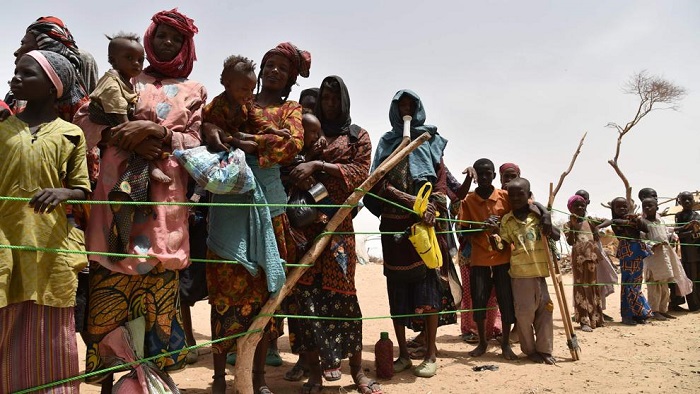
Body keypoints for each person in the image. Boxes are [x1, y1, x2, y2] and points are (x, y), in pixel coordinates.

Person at [74, 9, 206, 390]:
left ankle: (155, 385)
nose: (167, 43)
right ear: (149, 38)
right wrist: (120, 133)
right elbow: (85, 123)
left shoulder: (194, 90)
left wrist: (156, 133)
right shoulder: (121, 77)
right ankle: (107, 385)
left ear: (186, 45)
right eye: (161, 35)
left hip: (164, 206)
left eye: (176, 38)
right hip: (117, 202)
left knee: (158, 308)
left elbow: (196, 143)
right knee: (107, 300)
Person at [202, 41, 310, 394]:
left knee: (266, 292)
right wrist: (239, 139)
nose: (274, 71)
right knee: (224, 290)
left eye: (282, 67)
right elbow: (208, 131)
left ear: (292, 75)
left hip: (271, 207)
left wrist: (244, 141)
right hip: (229, 204)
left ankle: (259, 378)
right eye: (270, 64)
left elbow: (291, 144)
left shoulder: (290, 110)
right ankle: (220, 377)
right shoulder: (228, 103)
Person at [0, 50, 90, 393]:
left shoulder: (71, 134)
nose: (16, 78)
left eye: (27, 74)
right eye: (16, 71)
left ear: (53, 88)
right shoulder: (1, 130)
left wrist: (62, 193)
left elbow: (82, 189)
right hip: (5, 240)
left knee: (50, 334)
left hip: (51, 244)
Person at [286, 75, 380, 393]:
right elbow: (290, 169)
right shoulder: (309, 134)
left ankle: (357, 373)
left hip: (339, 229)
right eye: (325, 98)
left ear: (344, 101)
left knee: (345, 303)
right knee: (307, 304)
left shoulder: (357, 137)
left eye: (334, 99)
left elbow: (358, 175)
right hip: (306, 229)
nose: (329, 104)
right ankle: (314, 374)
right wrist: (308, 162)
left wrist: (319, 166)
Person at [365, 89, 449, 378]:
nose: (405, 111)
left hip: (423, 227)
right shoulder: (387, 143)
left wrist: (432, 208)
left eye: (410, 106)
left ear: (419, 108)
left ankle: (431, 353)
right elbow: (377, 183)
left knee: (428, 289)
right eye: (400, 106)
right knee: (396, 290)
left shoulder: (430, 141)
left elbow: (439, 183)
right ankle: (402, 353)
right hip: (392, 227)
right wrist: (411, 201)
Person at [88, 32, 171, 188]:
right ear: (113, 60)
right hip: (106, 116)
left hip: (116, 117)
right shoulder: (112, 82)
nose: (136, 64)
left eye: (140, 60)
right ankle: (151, 168)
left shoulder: (126, 80)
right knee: (132, 142)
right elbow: (122, 121)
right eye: (129, 58)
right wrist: (136, 141)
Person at [458, 158, 517, 360]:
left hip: (502, 259)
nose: (484, 177)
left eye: (487, 173)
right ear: (475, 177)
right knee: (479, 302)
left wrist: (498, 227)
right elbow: (463, 232)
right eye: (480, 173)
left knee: (505, 301)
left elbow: (517, 221)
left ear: (494, 175)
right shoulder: (468, 201)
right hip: (480, 260)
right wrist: (481, 226)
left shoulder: (505, 197)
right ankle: (482, 342)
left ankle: (506, 344)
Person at [496, 178, 559, 364]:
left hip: (540, 273)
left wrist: (546, 219)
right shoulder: (507, 220)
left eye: (520, 194)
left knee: (545, 312)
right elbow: (502, 246)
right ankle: (530, 350)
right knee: (524, 316)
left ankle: (545, 350)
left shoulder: (537, 216)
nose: (515, 198)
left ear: (528, 195)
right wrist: (494, 238)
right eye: (511, 195)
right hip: (520, 276)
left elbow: (556, 234)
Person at [598, 197, 652, 325]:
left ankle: (638, 313)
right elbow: (614, 221)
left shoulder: (633, 218)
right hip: (627, 251)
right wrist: (598, 227)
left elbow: (646, 228)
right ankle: (627, 315)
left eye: (624, 206)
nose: (622, 209)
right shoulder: (616, 222)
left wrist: (637, 219)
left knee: (637, 283)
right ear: (613, 209)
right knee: (628, 283)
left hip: (637, 250)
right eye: (618, 207)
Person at [641, 197, 692, 320]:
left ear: (656, 208)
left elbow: (667, 234)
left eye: (650, 206)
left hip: (664, 257)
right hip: (653, 258)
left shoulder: (661, 221)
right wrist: (653, 244)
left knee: (664, 284)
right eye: (645, 206)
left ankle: (663, 309)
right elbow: (642, 239)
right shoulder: (643, 223)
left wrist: (677, 233)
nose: (647, 208)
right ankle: (654, 310)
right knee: (654, 285)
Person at [563, 194, 604, 332]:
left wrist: (597, 229)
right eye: (576, 206)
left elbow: (609, 221)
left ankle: (596, 318)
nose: (580, 207)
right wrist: (574, 227)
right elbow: (569, 242)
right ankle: (584, 320)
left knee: (593, 286)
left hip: (592, 258)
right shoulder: (568, 224)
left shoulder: (590, 221)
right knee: (581, 287)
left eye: (582, 205)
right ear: (570, 208)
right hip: (578, 259)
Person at [574, 189, 617, 322]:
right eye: (578, 199)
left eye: (584, 199)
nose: (581, 202)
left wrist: (597, 228)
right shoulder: (573, 220)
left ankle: (599, 311)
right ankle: (583, 311)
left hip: (595, 253)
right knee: (581, 283)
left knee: (599, 280)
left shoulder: (592, 217)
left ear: (588, 202)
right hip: (581, 256)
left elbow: (610, 221)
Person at [674, 191, 700, 311]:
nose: (687, 202)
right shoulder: (680, 216)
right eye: (684, 200)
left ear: (693, 200)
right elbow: (679, 233)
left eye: (689, 199)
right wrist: (691, 231)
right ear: (680, 202)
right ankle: (694, 305)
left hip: (698, 249)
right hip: (688, 253)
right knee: (691, 278)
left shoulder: (697, 215)